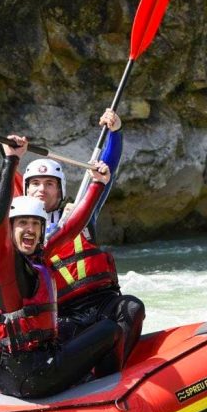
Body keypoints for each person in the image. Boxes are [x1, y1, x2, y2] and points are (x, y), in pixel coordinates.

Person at [0, 135, 120, 398]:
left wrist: (97, 184)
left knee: (82, 328)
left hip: (22, 368)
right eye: (22, 224)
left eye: (36, 225)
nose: (30, 230)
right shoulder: (2, 260)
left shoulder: (39, 255)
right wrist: (10, 161)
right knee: (109, 329)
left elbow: (71, 227)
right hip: (28, 373)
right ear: (10, 229)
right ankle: (105, 393)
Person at [22, 109, 145, 373]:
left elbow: (105, 171)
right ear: (26, 190)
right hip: (65, 313)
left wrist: (115, 133)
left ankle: (113, 374)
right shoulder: (22, 231)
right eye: (35, 184)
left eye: (49, 184)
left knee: (133, 307)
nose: (42, 189)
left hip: (103, 301)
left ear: (60, 190)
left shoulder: (80, 213)